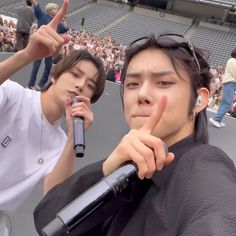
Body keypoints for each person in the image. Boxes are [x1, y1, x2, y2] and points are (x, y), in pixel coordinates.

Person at [34, 34, 236, 235]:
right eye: (132, 84)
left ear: (199, 100)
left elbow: (217, 218)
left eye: (164, 82)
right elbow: (47, 219)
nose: (142, 95)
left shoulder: (204, 167)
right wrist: (105, 171)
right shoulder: (128, 166)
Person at [0, 0, 105, 222]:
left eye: (89, 85)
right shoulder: (13, 96)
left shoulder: (60, 144)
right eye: (75, 75)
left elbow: (53, 198)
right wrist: (26, 55)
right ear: (55, 76)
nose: (80, 85)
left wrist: (71, 140)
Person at [28, 0, 69, 90]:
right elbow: (36, 5)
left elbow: (65, 28)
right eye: (55, 9)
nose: (57, 10)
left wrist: (63, 19)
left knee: (48, 67)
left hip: (51, 47)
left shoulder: (58, 21)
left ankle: (41, 85)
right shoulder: (42, 16)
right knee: (36, 65)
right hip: (41, 44)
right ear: (50, 10)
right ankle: (31, 84)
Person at [209, 48, 236, 128]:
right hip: (230, 83)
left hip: (230, 83)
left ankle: (218, 119)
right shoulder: (232, 61)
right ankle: (216, 119)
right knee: (228, 103)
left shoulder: (232, 61)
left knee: (224, 103)